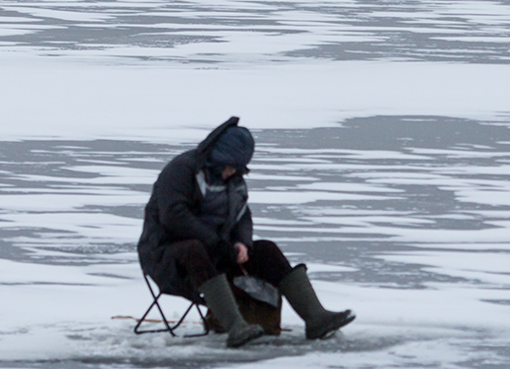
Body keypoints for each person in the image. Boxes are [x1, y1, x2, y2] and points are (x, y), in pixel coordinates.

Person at [138, 117, 356, 348]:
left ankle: (316, 318)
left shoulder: (234, 179)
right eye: (228, 165)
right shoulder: (181, 170)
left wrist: (242, 243)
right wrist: (217, 244)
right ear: (217, 155)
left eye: (236, 167)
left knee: (266, 251)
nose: (231, 172)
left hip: (215, 256)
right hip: (166, 259)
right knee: (194, 249)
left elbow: (242, 214)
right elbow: (173, 217)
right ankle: (236, 328)